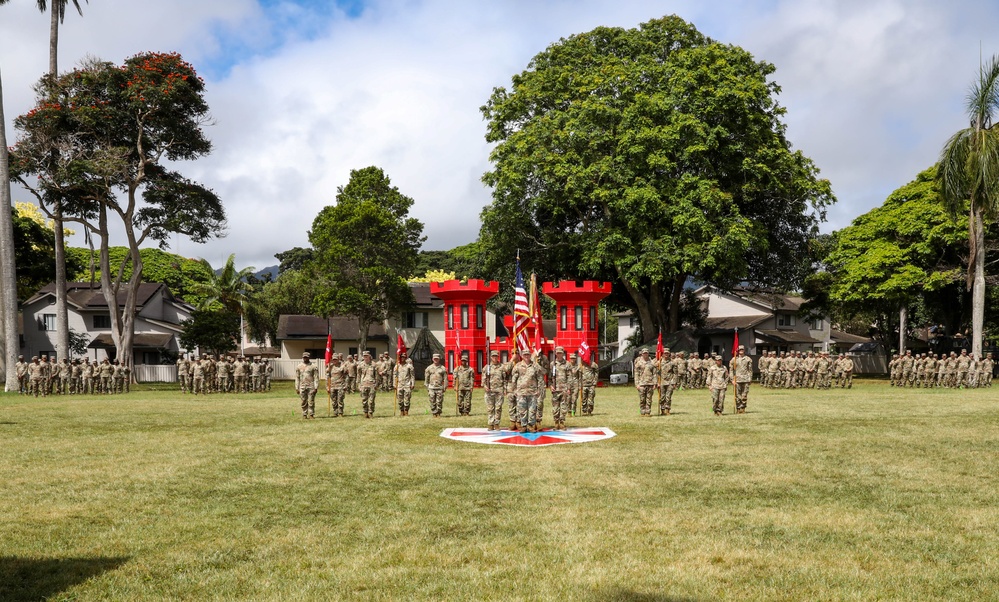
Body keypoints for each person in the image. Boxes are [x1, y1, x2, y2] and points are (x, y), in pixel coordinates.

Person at [511, 349, 546, 433]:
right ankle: (523, 426)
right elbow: (514, 378)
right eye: (525, 355)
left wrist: (539, 390)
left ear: (530, 355)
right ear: (522, 356)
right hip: (521, 392)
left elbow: (540, 378)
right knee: (522, 410)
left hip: (533, 392)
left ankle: (531, 426)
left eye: (528, 355)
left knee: (532, 410)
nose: (526, 356)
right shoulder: (518, 366)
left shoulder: (535, 365)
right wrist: (514, 389)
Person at [482, 350, 507, 430]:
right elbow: (483, 378)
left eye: (496, 356)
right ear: (491, 357)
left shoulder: (502, 367)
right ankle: (490, 423)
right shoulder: (487, 367)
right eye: (493, 356)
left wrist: (505, 389)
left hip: (499, 390)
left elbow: (505, 379)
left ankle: (496, 424)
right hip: (490, 391)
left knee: (498, 408)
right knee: (490, 408)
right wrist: (485, 386)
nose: (495, 358)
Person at [550, 347, 572, 430]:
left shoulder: (567, 364)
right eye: (558, 353)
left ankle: (562, 422)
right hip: (555, 389)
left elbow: (570, 377)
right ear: (556, 353)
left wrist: (569, 388)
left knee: (564, 407)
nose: (559, 354)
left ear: (563, 353)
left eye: (560, 353)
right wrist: (551, 386)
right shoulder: (553, 364)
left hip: (564, 389)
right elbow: (549, 377)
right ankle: (556, 422)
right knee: (555, 407)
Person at [295, 352, 320, 419]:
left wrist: (316, 386)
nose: (305, 358)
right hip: (302, 386)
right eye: (304, 357)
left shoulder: (313, 366)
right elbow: (297, 377)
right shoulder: (299, 366)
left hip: (311, 386)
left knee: (311, 400)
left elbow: (316, 377)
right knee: (303, 401)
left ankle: (311, 414)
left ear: (309, 357)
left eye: (306, 357)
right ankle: (304, 414)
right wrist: (296, 387)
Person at [633, 348, 657, 417]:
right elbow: (636, 374)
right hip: (642, 384)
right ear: (642, 354)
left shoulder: (652, 362)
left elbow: (654, 374)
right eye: (644, 353)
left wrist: (655, 383)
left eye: (646, 353)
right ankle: (642, 412)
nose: (645, 354)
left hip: (650, 383)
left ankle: (648, 412)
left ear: (648, 353)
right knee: (642, 399)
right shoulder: (638, 363)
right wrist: (637, 384)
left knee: (649, 399)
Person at [730, 345, 753, 414]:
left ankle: (743, 408)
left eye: (742, 349)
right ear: (737, 351)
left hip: (745, 379)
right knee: (737, 395)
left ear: (744, 350)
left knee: (744, 395)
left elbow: (750, 370)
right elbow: (731, 370)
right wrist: (732, 379)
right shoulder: (734, 359)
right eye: (740, 350)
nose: (741, 351)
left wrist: (750, 378)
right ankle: (738, 408)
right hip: (737, 379)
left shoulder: (748, 359)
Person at [424, 353, 448, 418]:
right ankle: (434, 413)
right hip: (431, 387)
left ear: (439, 359)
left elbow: (445, 379)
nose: (436, 360)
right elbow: (426, 378)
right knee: (432, 401)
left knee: (439, 401)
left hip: (439, 387)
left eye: (437, 359)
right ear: (432, 359)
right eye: (434, 359)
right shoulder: (429, 368)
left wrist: (445, 386)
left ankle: (438, 413)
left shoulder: (443, 368)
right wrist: (427, 386)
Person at [357, 350, 379, 418]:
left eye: (366, 356)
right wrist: (358, 385)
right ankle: (365, 412)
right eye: (364, 356)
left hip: (372, 385)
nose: (365, 358)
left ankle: (371, 413)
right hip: (363, 385)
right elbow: (358, 375)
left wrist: (376, 384)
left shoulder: (374, 365)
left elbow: (377, 376)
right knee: (364, 400)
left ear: (369, 356)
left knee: (371, 401)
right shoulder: (360, 365)